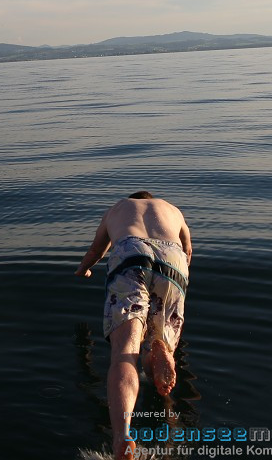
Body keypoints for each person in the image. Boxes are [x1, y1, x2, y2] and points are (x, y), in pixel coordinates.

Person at [75, 191, 193, 460]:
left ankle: (123, 436)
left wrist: (83, 270)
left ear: (133, 200)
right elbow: (187, 253)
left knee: (124, 353)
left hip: (131, 254)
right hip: (173, 262)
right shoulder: (173, 209)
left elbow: (96, 250)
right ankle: (159, 345)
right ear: (152, 200)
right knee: (158, 334)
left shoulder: (116, 209)